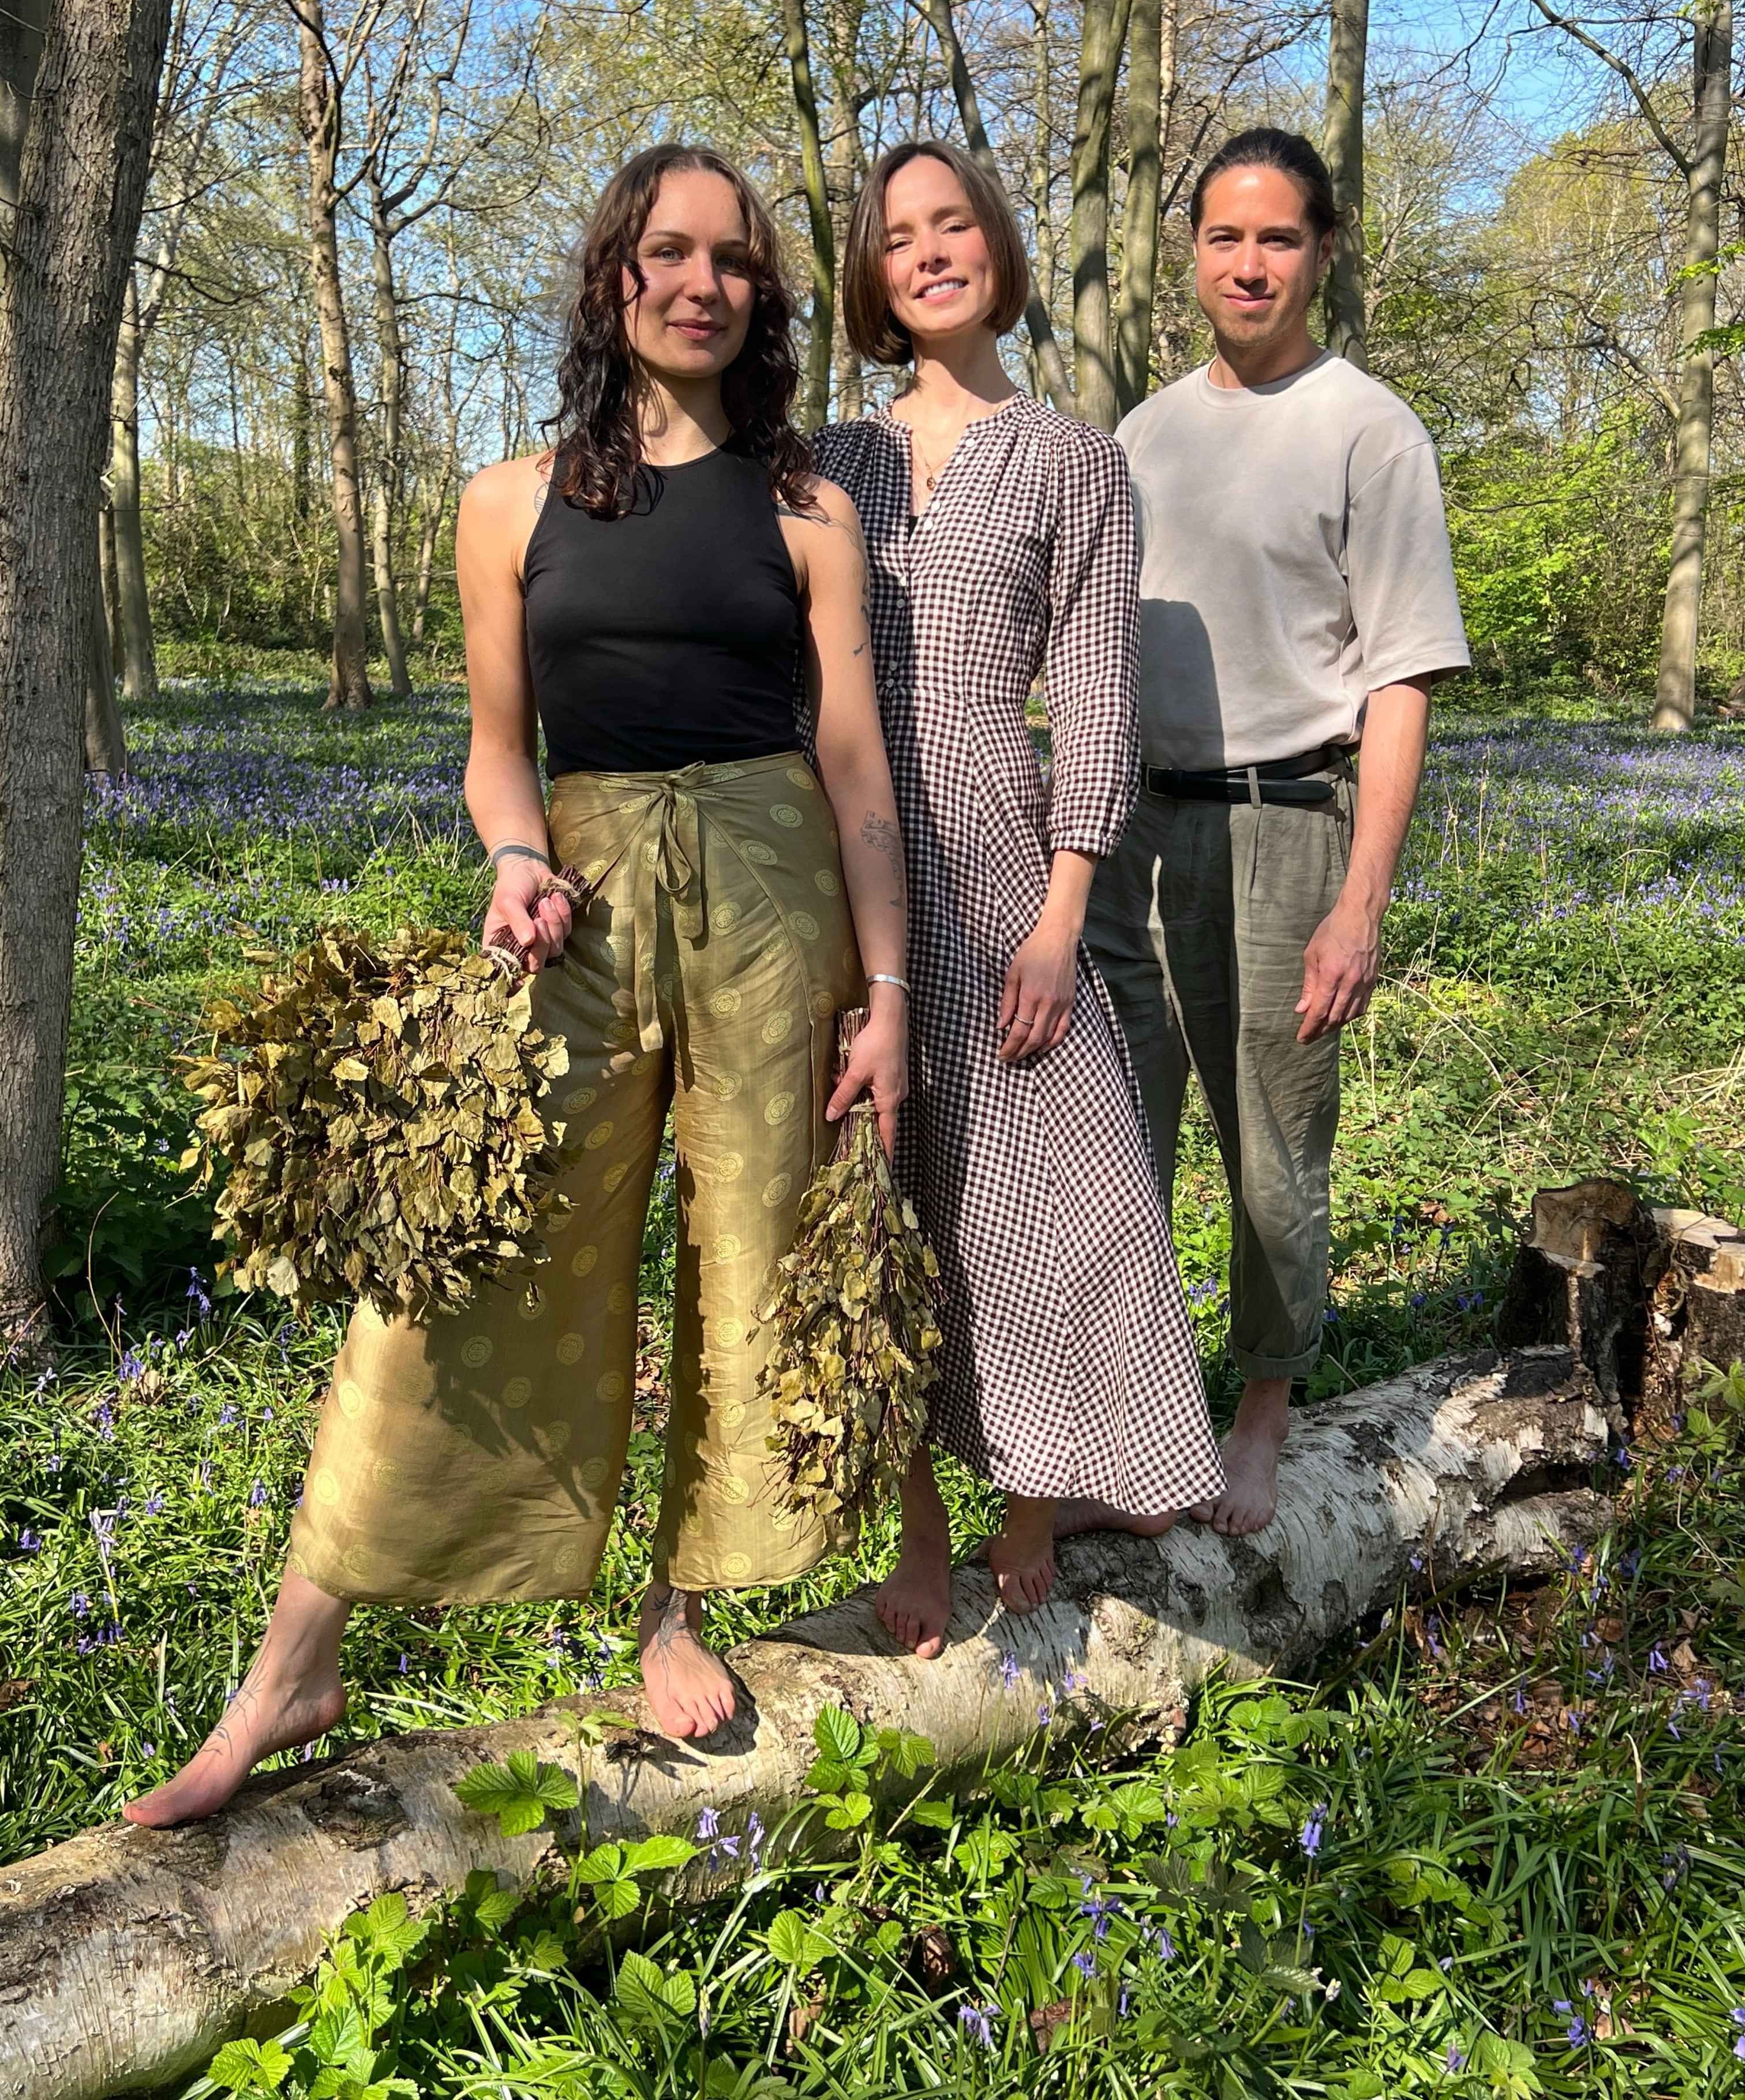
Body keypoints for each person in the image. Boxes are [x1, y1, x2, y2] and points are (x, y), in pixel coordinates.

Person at [126, 143, 910, 1824]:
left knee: (752, 1238)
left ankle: (677, 1607)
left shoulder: (809, 509)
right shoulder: (509, 499)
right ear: (615, 276)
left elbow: (855, 771)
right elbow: (499, 756)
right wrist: (514, 858)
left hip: (780, 896)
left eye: (735, 260)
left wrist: (892, 986)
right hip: (588, 890)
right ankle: (300, 1649)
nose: (703, 283)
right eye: (669, 253)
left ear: (763, 296)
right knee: (467, 1241)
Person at [812, 141, 1225, 1657]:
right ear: (872, 275)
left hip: (1001, 865)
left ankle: (1038, 1491)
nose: (929, 252)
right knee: (887, 1188)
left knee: (1058, 1194)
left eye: (956, 225)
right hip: (843, 860)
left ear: (999, 248)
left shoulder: (1073, 459)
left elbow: (1101, 697)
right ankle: (922, 1515)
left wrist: (1062, 915)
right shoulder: (824, 462)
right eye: (900, 235)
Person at [1084, 125, 1471, 1539]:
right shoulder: (1142, 434)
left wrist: (1359, 902)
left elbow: (1404, 678)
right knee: (1116, 1137)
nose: (1251, 264)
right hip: (1134, 825)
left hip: (1288, 823)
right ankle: (1123, 1434)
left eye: (1280, 238)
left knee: (1272, 1145)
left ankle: (1259, 1409)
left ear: (1323, 252)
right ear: (1192, 254)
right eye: (1226, 237)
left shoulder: (1369, 428)